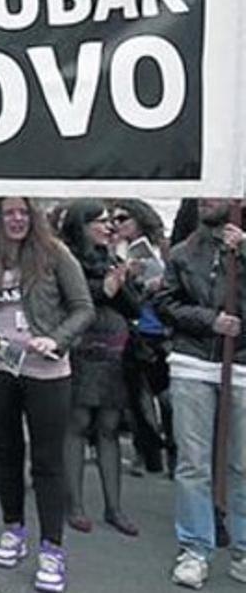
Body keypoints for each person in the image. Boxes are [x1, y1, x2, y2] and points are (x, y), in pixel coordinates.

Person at [0, 197, 94, 593]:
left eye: (23, 212)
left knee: (47, 462)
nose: (16, 219)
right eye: (8, 213)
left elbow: (83, 308)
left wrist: (54, 339)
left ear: (34, 216)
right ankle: (13, 529)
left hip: (47, 370)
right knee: (4, 454)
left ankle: (52, 549)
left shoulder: (55, 254)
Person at [155, 197, 245, 589]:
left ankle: (242, 549)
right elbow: (165, 303)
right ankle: (195, 548)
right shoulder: (183, 252)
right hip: (192, 362)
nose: (209, 198)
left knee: (241, 464)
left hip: (242, 366)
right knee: (193, 462)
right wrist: (210, 321)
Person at [59, 200, 142, 537]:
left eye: (111, 222)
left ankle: (115, 507)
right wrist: (105, 288)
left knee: (109, 425)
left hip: (115, 353)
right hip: (81, 349)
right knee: (77, 421)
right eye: (101, 221)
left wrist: (121, 282)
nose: (109, 227)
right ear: (81, 225)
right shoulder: (66, 259)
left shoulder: (113, 258)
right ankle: (74, 505)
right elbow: (71, 300)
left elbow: (134, 305)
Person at [111, 199, 175, 477]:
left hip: (160, 328)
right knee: (138, 398)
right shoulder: (115, 250)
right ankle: (145, 453)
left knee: (167, 399)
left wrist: (155, 285)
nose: (117, 224)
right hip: (133, 328)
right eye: (114, 219)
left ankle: (173, 451)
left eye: (123, 218)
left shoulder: (162, 248)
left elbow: (174, 283)